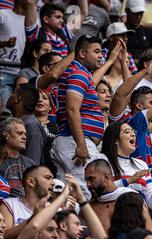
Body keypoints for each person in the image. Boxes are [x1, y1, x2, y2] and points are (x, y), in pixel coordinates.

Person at [50, 35, 106, 197]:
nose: (100, 56)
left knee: (66, 197)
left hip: (69, 142)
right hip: (73, 143)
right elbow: (72, 110)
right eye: (96, 51)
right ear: (82, 53)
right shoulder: (78, 73)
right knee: (89, 191)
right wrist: (80, 144)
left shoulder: (80, 72)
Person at [84, 159, 139, 233]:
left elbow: (147, 234)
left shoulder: (132, 199)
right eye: (86, 181)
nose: (88, 184)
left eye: (91, 179)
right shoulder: (89, 207)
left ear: (106, 178)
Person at [0, 165, 53, 230]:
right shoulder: (10, 204)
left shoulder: (53, 208)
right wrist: (33, 218)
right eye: (48, 178)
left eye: (52, 179)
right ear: (31, 182)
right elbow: (4, 237)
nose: (53, 183)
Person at [0, 118, 36, 197]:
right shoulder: (1, 160)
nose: (24, 137)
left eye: (25, 134)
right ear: (6, 135)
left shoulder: (30, 163)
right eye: (20, 133)